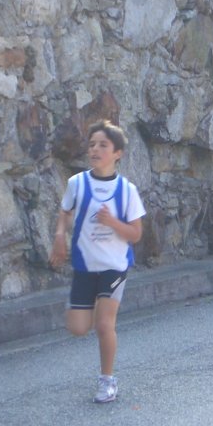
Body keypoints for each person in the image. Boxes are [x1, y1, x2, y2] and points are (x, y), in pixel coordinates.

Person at [49, 119, 146, 403]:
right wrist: (59, 236)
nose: (95, 149)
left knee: (104, 325)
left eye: (103, 145)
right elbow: (65, 212)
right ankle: (93, 304)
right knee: (78, 328)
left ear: (117, 153)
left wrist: (112, 222)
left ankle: (107, 381)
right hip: (84, 266)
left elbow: (136, 234)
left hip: (114, 267)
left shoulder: (127, 190)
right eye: (92, 144)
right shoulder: (77, 184)